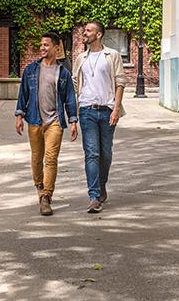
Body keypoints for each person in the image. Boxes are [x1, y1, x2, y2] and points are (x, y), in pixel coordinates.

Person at [15, 31, 78, 216]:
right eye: (41, 45)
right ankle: (40, 186)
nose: (42, 48)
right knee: (36, 158)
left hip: (55, 121)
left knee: (50, 159)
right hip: (34, 119)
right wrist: (19, 116)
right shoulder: (31, 70)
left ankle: (46, 196)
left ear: (56, 48)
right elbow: (23, 94)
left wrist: (73, 120)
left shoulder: (63, 72)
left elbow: (70, 99)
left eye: (46, 45)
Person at [72, 21, 126, 213]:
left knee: (106, 153)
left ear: (99, 34)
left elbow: (120, 82)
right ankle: (94, 196)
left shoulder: (112, 55)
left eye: (88, 30)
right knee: (92, 153)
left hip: (107, 110)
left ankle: (102, 183)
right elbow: (76, 85)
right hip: (87, 110)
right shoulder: (81, 58)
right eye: (85, 30)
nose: (84, 33)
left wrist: (116, 109)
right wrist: (74, 116)